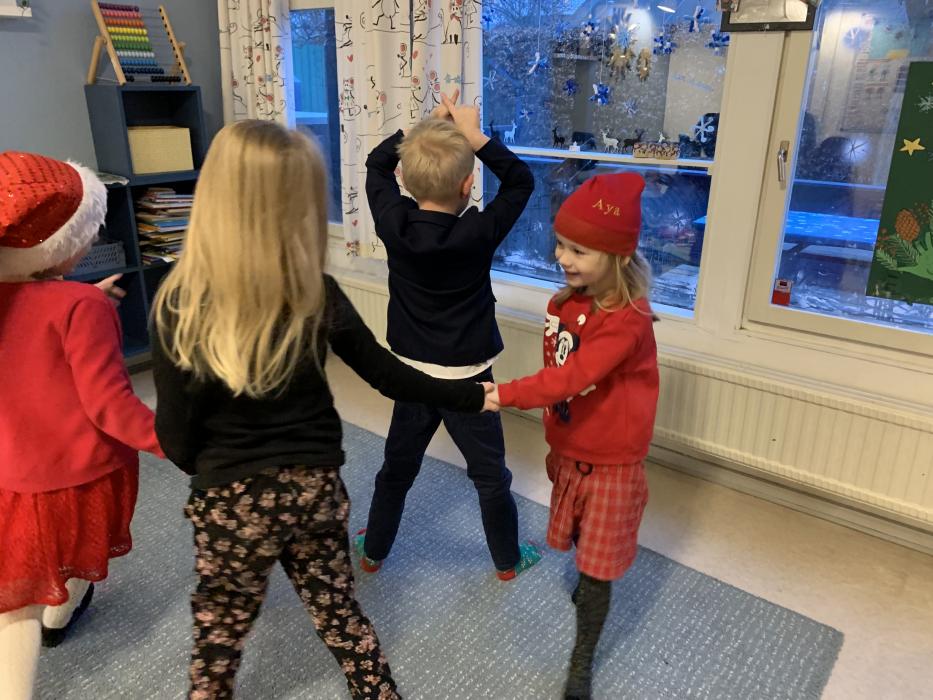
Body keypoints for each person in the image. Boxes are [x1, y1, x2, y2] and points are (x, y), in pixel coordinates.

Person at [150, 119, 495, 699]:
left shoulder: (178, 304)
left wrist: (206, 474)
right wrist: (469, 395)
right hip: (315, 489)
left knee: (218, 638)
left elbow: (176, 435)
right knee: (340, 614)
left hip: (232, 502)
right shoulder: (316, 291)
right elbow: (387, 375)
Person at [487, 173, 660, 700]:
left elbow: (572, 377)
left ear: (618, 256)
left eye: (578, 250)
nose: (562, 256)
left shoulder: (628, 320)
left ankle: (581, 658)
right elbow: (558, 371)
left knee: (596, 570)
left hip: (610, 462)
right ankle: (588, 579)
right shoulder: (564, 303)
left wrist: (505, 393)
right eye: (561, 244)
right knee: (582, 539)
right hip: (568, 447)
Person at [357, 91, 541, 580]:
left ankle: (374, 551)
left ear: (407, 179)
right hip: (470, 382)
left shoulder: (394, 222)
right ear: (467, 185)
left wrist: (424, 126)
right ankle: (507, 561)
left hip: (412, 377)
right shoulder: (477, 232)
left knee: (396, 469)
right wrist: (475, 136)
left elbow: (376, 166)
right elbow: (521, 180)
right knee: (490, 477)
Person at [0, 151, 164, 699]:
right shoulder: (79, 307)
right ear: (63, 242)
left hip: (12, 475)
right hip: (77, 477)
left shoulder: (67, 302)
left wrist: (81, 300)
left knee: (16, 592)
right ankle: (57, 619)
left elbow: (27, 335)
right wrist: (174, 440)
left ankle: (50, 625)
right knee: (66, 557)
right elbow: (110, 407)